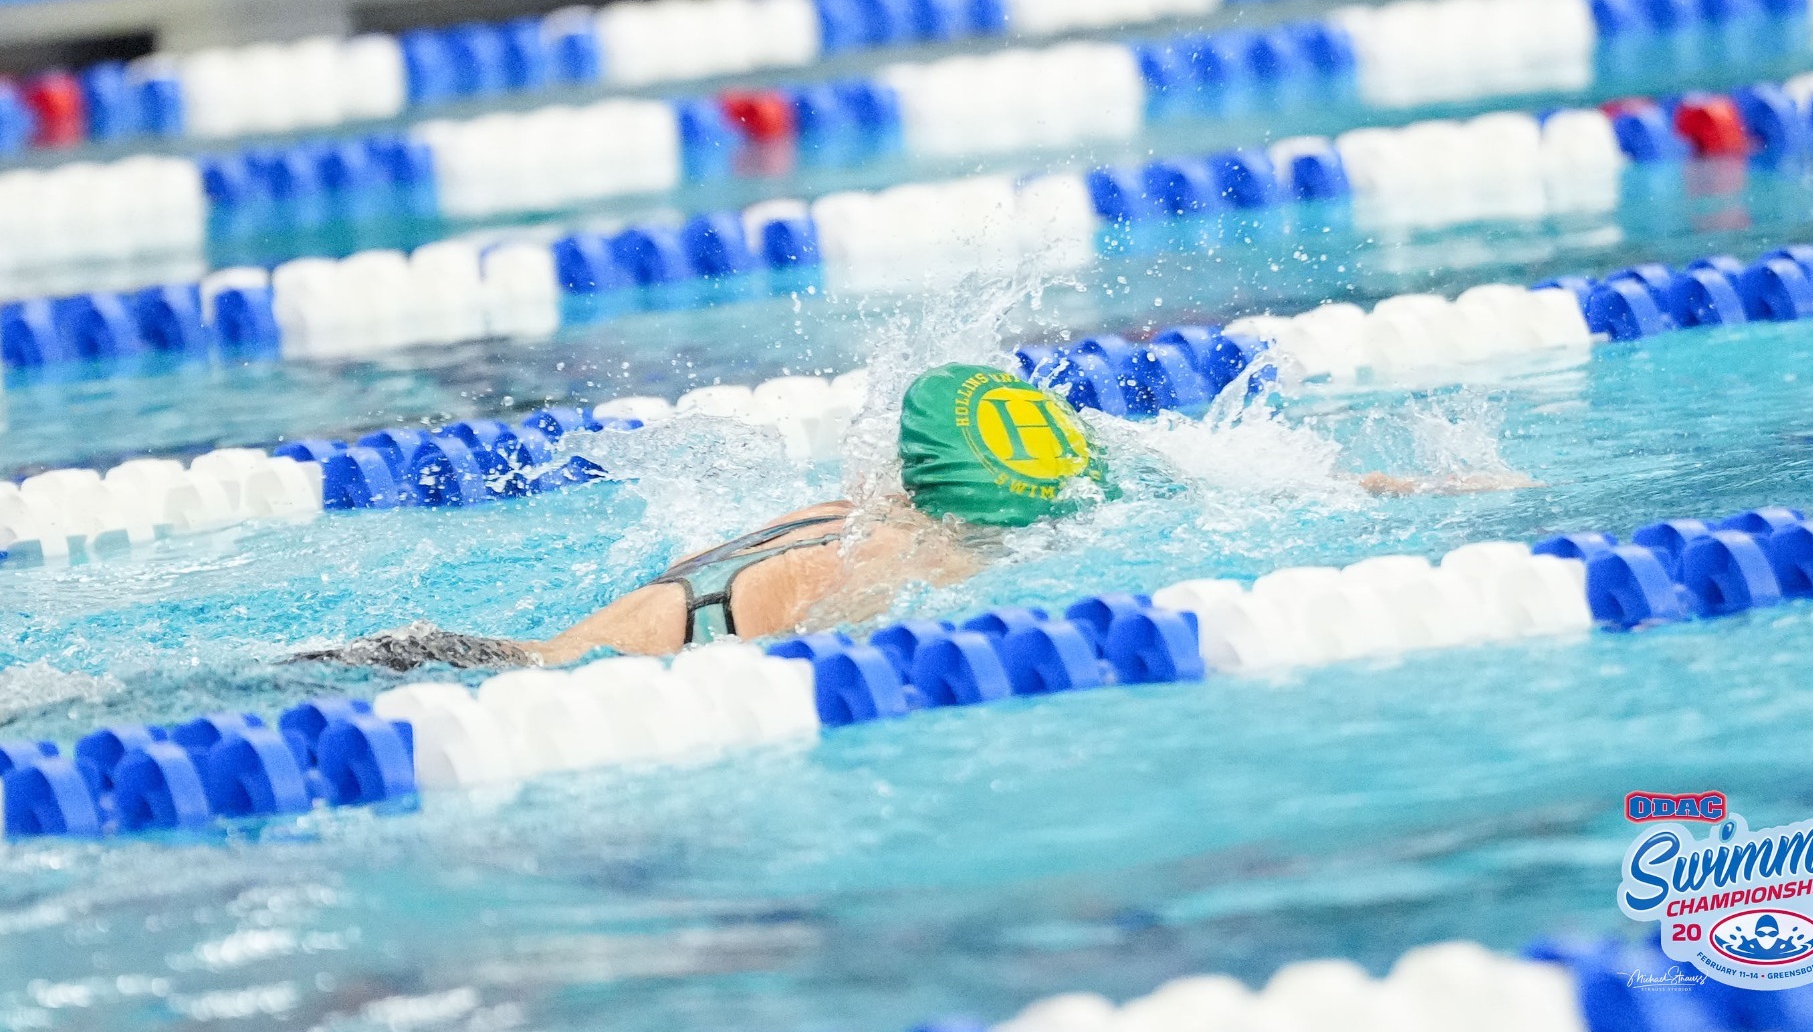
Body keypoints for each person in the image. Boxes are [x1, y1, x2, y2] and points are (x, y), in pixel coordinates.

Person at [300, 362, 1511, 671]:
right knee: (523, 671)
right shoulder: (921, 552)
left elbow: (1213, 478)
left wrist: (1395, 491)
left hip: (685, 605)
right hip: (666, 646)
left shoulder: (868, 499)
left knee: (512, 657)